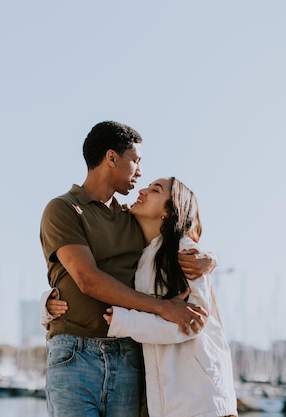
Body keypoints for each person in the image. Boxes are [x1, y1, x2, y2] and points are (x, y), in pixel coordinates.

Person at [40, 121, 215, 417]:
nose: (140, 172)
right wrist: (162, 308)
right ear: (111, 158)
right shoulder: (63, 209)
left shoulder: (132, 218)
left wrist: (209, 258)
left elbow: (176, 232)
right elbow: (87, 279)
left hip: (129, 357)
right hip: (74, 355)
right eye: (135, 161)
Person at [50, 177, 238, 417]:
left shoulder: (184, 252)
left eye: (155, 190)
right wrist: (49, 302)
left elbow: (192, 323)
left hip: (200, 401)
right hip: (169, 403)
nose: (142, 190)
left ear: (169, 211)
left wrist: (125, 322)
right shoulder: (141, 254)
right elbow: (98, 275)